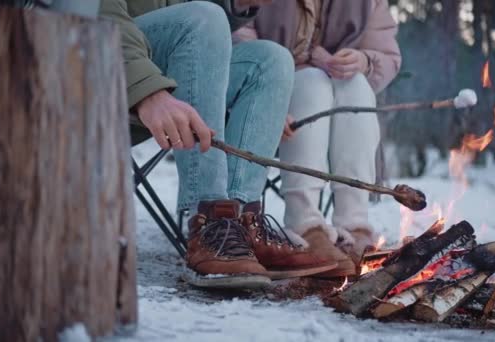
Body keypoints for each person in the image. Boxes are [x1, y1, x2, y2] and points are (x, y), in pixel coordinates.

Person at [99, 0, 337, 289]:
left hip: (160, 59)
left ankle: (241, 222)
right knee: (203, 17)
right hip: (89, 58)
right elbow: (88, 11)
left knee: (271, 59)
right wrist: (148, 90)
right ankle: (210, 221)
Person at [234, 0, 401, 277]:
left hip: (338, 105)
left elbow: (386, 53)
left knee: (357, 84)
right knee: (311, 81)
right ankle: (305, 225)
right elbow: (238, 42)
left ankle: (354, 225)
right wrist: (269, 102)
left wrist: (365, 60)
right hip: (268, 101)